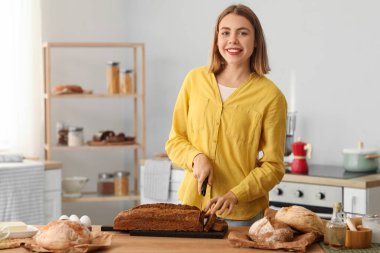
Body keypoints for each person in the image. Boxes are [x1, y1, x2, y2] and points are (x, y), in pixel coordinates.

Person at [165, 4, 287, 226]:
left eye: (243, 33)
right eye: (225, 32)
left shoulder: (271, 96)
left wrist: (236, 195)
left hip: (242, 217)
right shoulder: (194, 80)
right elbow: (175, 141)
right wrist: (196, 158)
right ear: (217, 38)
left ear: (256, 40)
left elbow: (274, 166)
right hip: (192, 207)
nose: (233, 40)